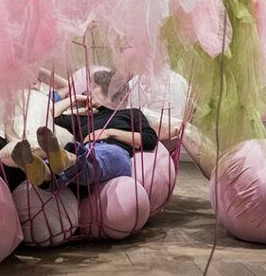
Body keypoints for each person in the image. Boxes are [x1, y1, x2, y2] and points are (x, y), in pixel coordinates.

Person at [12, 69, 159, 196]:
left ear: (109, 91)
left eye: (93, 86)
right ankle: (46, 169)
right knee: (64, 164)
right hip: (85, 153)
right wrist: (74, 98)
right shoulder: (84, 118)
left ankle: (61, 165)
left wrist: (109, 133)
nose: (88, 91)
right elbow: (52, 115)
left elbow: (150, 139)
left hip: (114, 152)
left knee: (95, 159)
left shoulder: (131, 113)